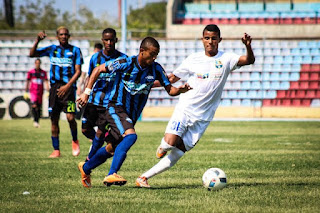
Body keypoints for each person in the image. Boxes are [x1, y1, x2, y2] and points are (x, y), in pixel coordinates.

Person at [135, 24, 255, 188]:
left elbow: (249, 60)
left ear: (220, 40)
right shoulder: (193, 59)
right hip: (185, 109)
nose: (210, 42)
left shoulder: (227, 58)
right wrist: (147, 85)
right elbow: (170, 79)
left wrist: (248, 46)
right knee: (170, 143)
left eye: (214, 38)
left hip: (204, 118)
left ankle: (143, 178)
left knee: (177, 154)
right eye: (207, 38)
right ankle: (164, 145)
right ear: (202, 39)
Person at [77, 37, 192, 188]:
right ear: (142, 51)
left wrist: (181, 90)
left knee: (111, 147)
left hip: (131, 114)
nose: (154, 57)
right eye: (152, 54)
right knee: (131, 136)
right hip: (115, 107)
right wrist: (86, 92)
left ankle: (85, 168)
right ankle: (112, 174)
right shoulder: (125, 63)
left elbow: (170, 90)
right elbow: (98, 69)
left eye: (156, 54)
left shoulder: (156, 69)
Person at [29, 26, 83, 158]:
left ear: (69, 36)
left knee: (70, 118)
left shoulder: (75, 50)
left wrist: (68, 86)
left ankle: (75, 140)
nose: (63, 36)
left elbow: (78, 71)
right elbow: (32, 54)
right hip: (54, 90)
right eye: (61, 34)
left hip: (69, 89)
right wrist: (37, 40)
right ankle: (56, 150)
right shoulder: (52, 49)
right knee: (54, 119)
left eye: (66, 34)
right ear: (57, 36)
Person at [80, 28, 127, 162]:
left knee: (100, 132)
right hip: (94, 101)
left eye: (111, 39)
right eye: (106, 40)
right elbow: (90, 77)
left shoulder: (123, 59)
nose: (109, 42)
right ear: (102, 40)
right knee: (84, 130)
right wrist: (85, 93)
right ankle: (100, 141)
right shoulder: (95, 58)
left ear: (116, 40)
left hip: (109, 103)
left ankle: (89, 160)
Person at [24, 58, 50, 128]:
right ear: (35, 64)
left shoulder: (43, 73)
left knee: (38, 107)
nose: (37, 64)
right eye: (36, 63)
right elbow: (28, 81)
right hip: (33, 92)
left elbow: (46, 81)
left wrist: (48, 90)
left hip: (40, 92)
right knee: (34, 105)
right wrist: (26, 91)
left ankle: (37, 121)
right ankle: (35, 121)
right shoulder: (31, 72)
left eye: (38, 63)